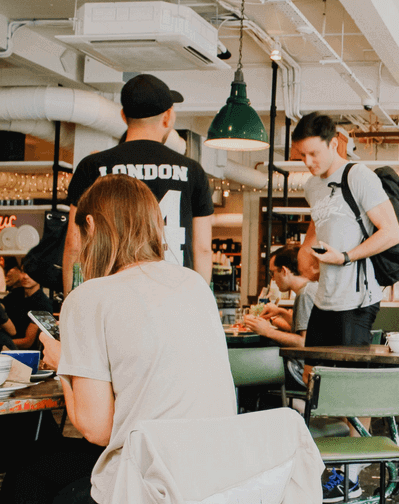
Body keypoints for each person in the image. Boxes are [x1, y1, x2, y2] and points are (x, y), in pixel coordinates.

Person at [1, 175, 236, 504]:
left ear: (92, 226)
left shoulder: (88, 298)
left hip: (147, 483)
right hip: (212, 473)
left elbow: (96, 429)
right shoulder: (194, 284)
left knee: (26, 474)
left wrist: (63, 362)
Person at [63, 73, 215, 293]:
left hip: (112, 294)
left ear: (124, 116)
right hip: (174, 294)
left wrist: (72, 302)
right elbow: (202, 249)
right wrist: (200, 303)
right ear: (168, 117)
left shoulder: (92, 166)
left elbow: (74, 244)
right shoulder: (192, 171)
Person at [293, 112, 399, 349]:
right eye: (302, 155)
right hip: (323, 300)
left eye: (314, 153)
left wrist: (344, 257)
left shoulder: (358, 176)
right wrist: (305, 250)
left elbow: (392, 232)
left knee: (344, 380)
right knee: (312, 375)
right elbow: (319, 222)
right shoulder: (312, 186)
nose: (308, 162)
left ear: (333, 144)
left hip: (356, 301)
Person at [243, 246, 317, 387]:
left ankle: (294, 404)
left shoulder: (305, 295)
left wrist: (268, 331)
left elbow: (304, 343)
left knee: (249, 369)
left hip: (299, 371)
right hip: (308, 368)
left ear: (284, 271)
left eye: (272, 273)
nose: (273, 279)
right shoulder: (311, 288)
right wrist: (281, 312)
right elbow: (309, 328)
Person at [4, 266, 53, 349]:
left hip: (27, 355)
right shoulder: (15, 294)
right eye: (23, 272)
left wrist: (3, 342)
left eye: (31, 273)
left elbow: (27, 342)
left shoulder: (43, 304)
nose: (26, 276)